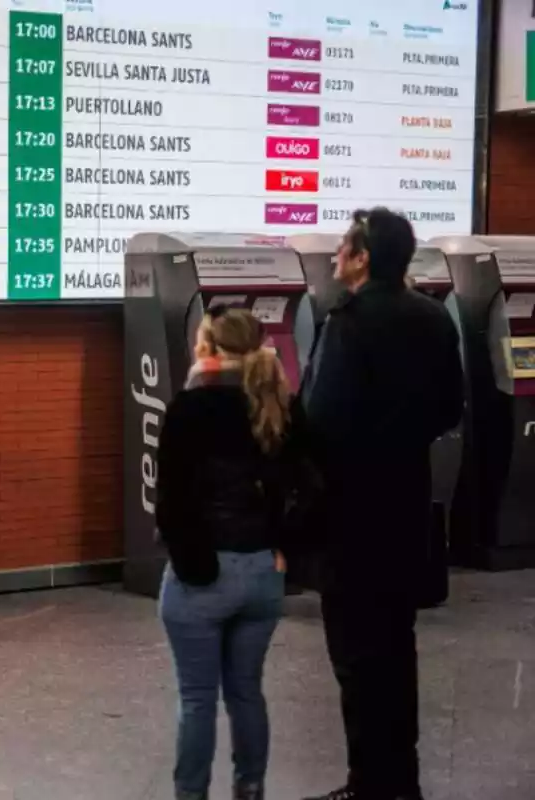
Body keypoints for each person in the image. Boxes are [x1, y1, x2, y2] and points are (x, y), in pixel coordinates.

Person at [299, 208, 463, 800]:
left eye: (344, 245)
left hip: (350, 513)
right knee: (397, 649)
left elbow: (321, 417)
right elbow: (450, 407)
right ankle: (402, 782)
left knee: (356, 658)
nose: (337, 253)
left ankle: (368, 784)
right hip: (406, 505)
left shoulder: (347, 324)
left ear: (363, 257)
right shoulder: (432, 318)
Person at [157, 306, 298, 800]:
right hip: (263, 573)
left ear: (208, 348)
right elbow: (308, 487)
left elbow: (170, 500)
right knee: (246, 692)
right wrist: (284, 549)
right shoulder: (280, 403)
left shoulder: (190, 409)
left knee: (197, 698)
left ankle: (191, 794)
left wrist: (191, 562)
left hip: (204, 574)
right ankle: (250, 788)